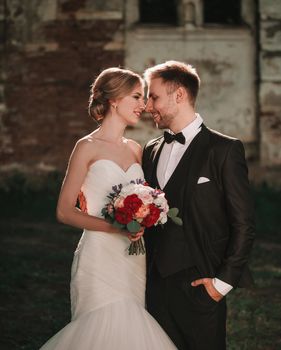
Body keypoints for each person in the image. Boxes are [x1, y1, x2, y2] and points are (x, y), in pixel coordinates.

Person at [39, 67, 176, 350]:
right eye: (137, 96)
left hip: (133, 257)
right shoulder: (86, 147)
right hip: (99, 255)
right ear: (114, 99)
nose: (143, 105)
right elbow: (65, 211)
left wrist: (145, 218)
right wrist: (116, 226)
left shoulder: (137, 149)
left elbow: (149, 198)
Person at [142, 60, 255, 350]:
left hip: (201, 284)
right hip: (153, 285)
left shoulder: (224, 150)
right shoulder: (151, 150)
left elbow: (243, 223)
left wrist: (221, 285)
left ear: (178, 95)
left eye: (153, 96)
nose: (147, 104)